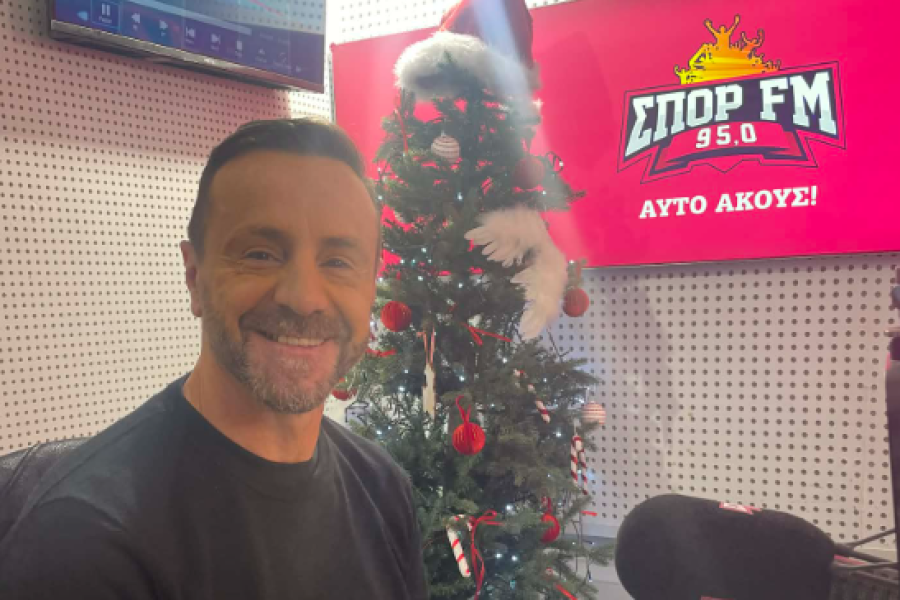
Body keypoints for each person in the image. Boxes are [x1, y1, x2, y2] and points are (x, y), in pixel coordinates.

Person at [0, 119, 427, 599]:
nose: (304, 298)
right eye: (261, 254)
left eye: (338, 262)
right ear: (194, 276)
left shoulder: (383, 487)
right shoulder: (81, 543)